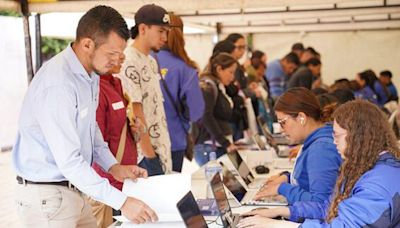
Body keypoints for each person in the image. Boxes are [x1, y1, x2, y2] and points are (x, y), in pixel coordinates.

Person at [12, 5, 157, 227]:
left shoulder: (90, 75)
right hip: (48, 198)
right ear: (87, 44)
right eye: (112, 54)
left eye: (120, 54)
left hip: (73, 191)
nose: (117, 60)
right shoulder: (59, 84)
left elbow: (91, 130)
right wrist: (123, 202)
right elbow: (70, 161)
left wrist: (113, 167)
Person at [238, 100, 400, 227]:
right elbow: (330, 208)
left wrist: (278, 225)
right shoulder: (365, 165)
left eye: (337, 136)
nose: (333, 141)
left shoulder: (378, 183)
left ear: (358, 136)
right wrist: (281, 211)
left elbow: (344, 226)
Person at [254, 88, 342, 204]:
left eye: (283, 122)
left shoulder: (321, 149)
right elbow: (309, 181)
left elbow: (320, 203)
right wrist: (287, 178)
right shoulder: (316, 141)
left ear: (301, 117)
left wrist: (282, 188)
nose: (281, 129)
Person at [118, 4, 172, 175]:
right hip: (146, 157)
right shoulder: (128, 61)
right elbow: (135, 112)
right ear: (143, 28)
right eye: (161, 31)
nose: (165, 37)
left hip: (162, 151)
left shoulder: (151, 61)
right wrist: (150, 156)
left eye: (167, 32)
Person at [155, 13, 205, 172]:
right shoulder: (185, 68)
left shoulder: (142, 60)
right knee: (170, 192)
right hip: (174, 139)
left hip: (144, 143)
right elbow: (196, 112)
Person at [193, 53, 238, 166]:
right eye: (230, 72)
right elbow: (206, 116)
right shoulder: (208, 87)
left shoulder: (217, 86)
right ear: (219, 69)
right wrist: (225, 142)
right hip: (209, 147)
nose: (232, 77)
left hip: (215, 146)